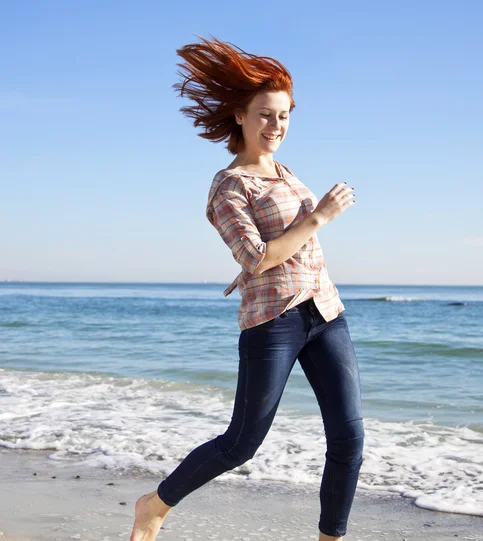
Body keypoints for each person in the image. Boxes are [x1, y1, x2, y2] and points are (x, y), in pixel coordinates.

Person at [129, 36, 363, 541]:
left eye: (284, 116)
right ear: (240, 116)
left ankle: (330, 538)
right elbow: (257, 255)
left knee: (349, 436)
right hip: (272, 323)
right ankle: (154, 504)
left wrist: (284, 250)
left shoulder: (285, 172)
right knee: (242, 444)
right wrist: (320, 215)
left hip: (325, 311)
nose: (276, 126)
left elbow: (281, 248)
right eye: (265, 115)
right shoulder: (229, 186)